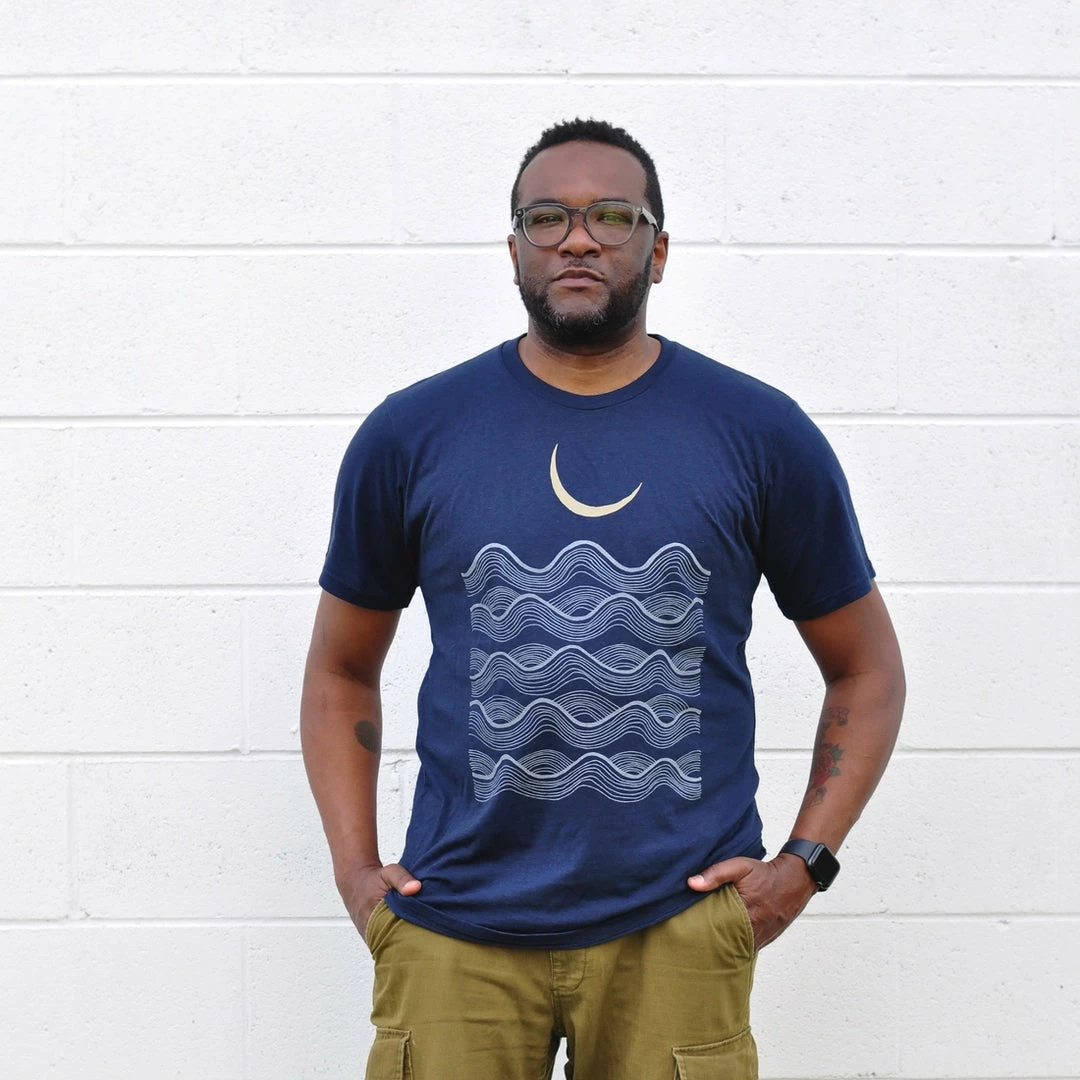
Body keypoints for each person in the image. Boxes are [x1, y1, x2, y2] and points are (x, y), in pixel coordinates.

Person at [300, 117, 905, 1080]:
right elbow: (340, 670)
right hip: (454, 926)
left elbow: (866, 670)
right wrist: (354, 874)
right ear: (513, 251)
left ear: (657, 251)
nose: (577, 238)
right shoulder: (413, 434)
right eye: (546, 218)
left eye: (612, 216)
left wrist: (805, 863)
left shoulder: (758, 433)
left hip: (676, 927)